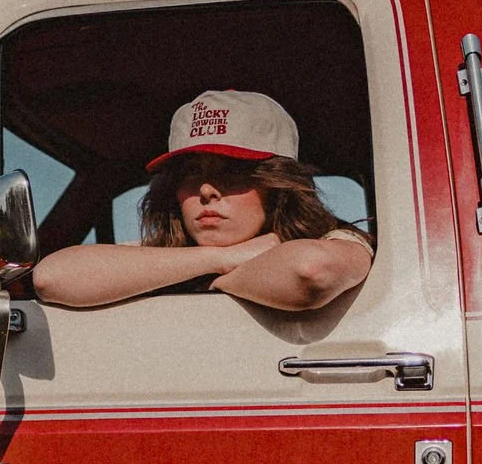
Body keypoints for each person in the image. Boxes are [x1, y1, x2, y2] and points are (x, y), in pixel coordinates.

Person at [31, 90, 373, 312]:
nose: (207, 189)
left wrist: (206, 278)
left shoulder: (337, 241)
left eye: (234, 172)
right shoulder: (172, 253)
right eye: (191, 173)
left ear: (278, 185)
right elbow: (51, 276)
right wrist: (221, 259)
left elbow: (309, 272)